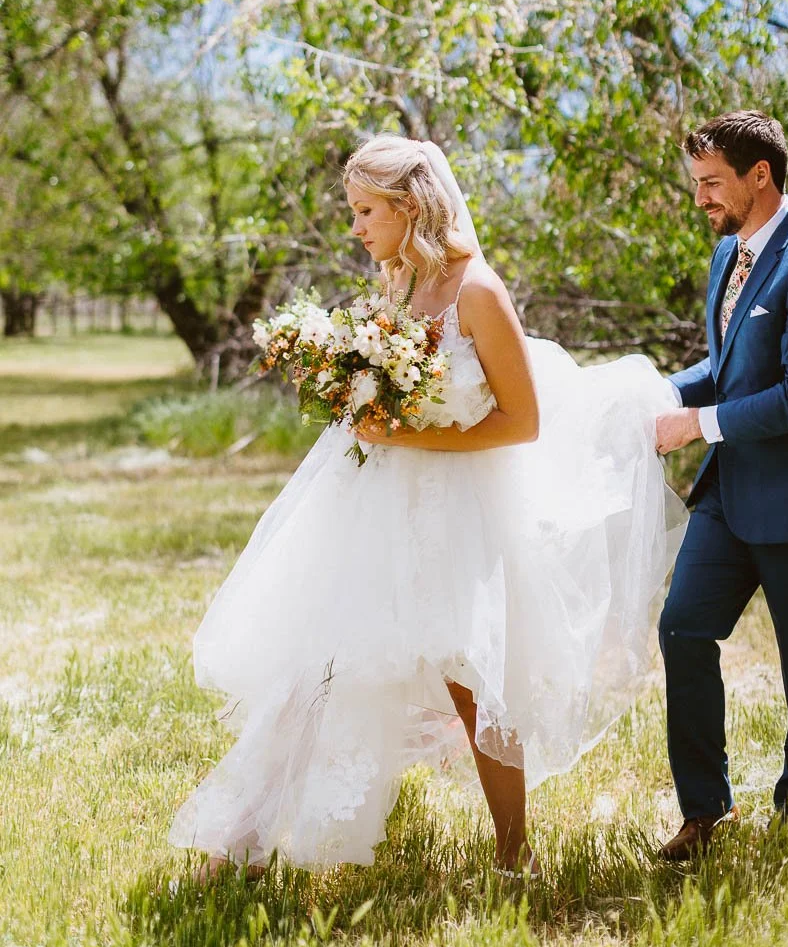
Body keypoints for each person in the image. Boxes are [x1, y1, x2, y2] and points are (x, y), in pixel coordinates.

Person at [170, 135, 685, 881]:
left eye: (365, 210)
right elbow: (385, 394)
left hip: (460, 508)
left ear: (409, 206)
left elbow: (521, 421)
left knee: (472, 680)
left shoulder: (479, 292)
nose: (355, 227)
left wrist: (406, 432)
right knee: (317, 662)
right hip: (373, 501)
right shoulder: (394, 282)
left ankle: (514, 855)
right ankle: (242, 841)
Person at [655, 110, 788, 861]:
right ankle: (705, 812)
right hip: (726, 492)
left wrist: (698, 425)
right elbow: (727, 366)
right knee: (682, 627)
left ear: (760, 175)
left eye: (711, 182)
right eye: (696, 182)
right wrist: (654, 393)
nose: (700, 197)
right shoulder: (727, 253)